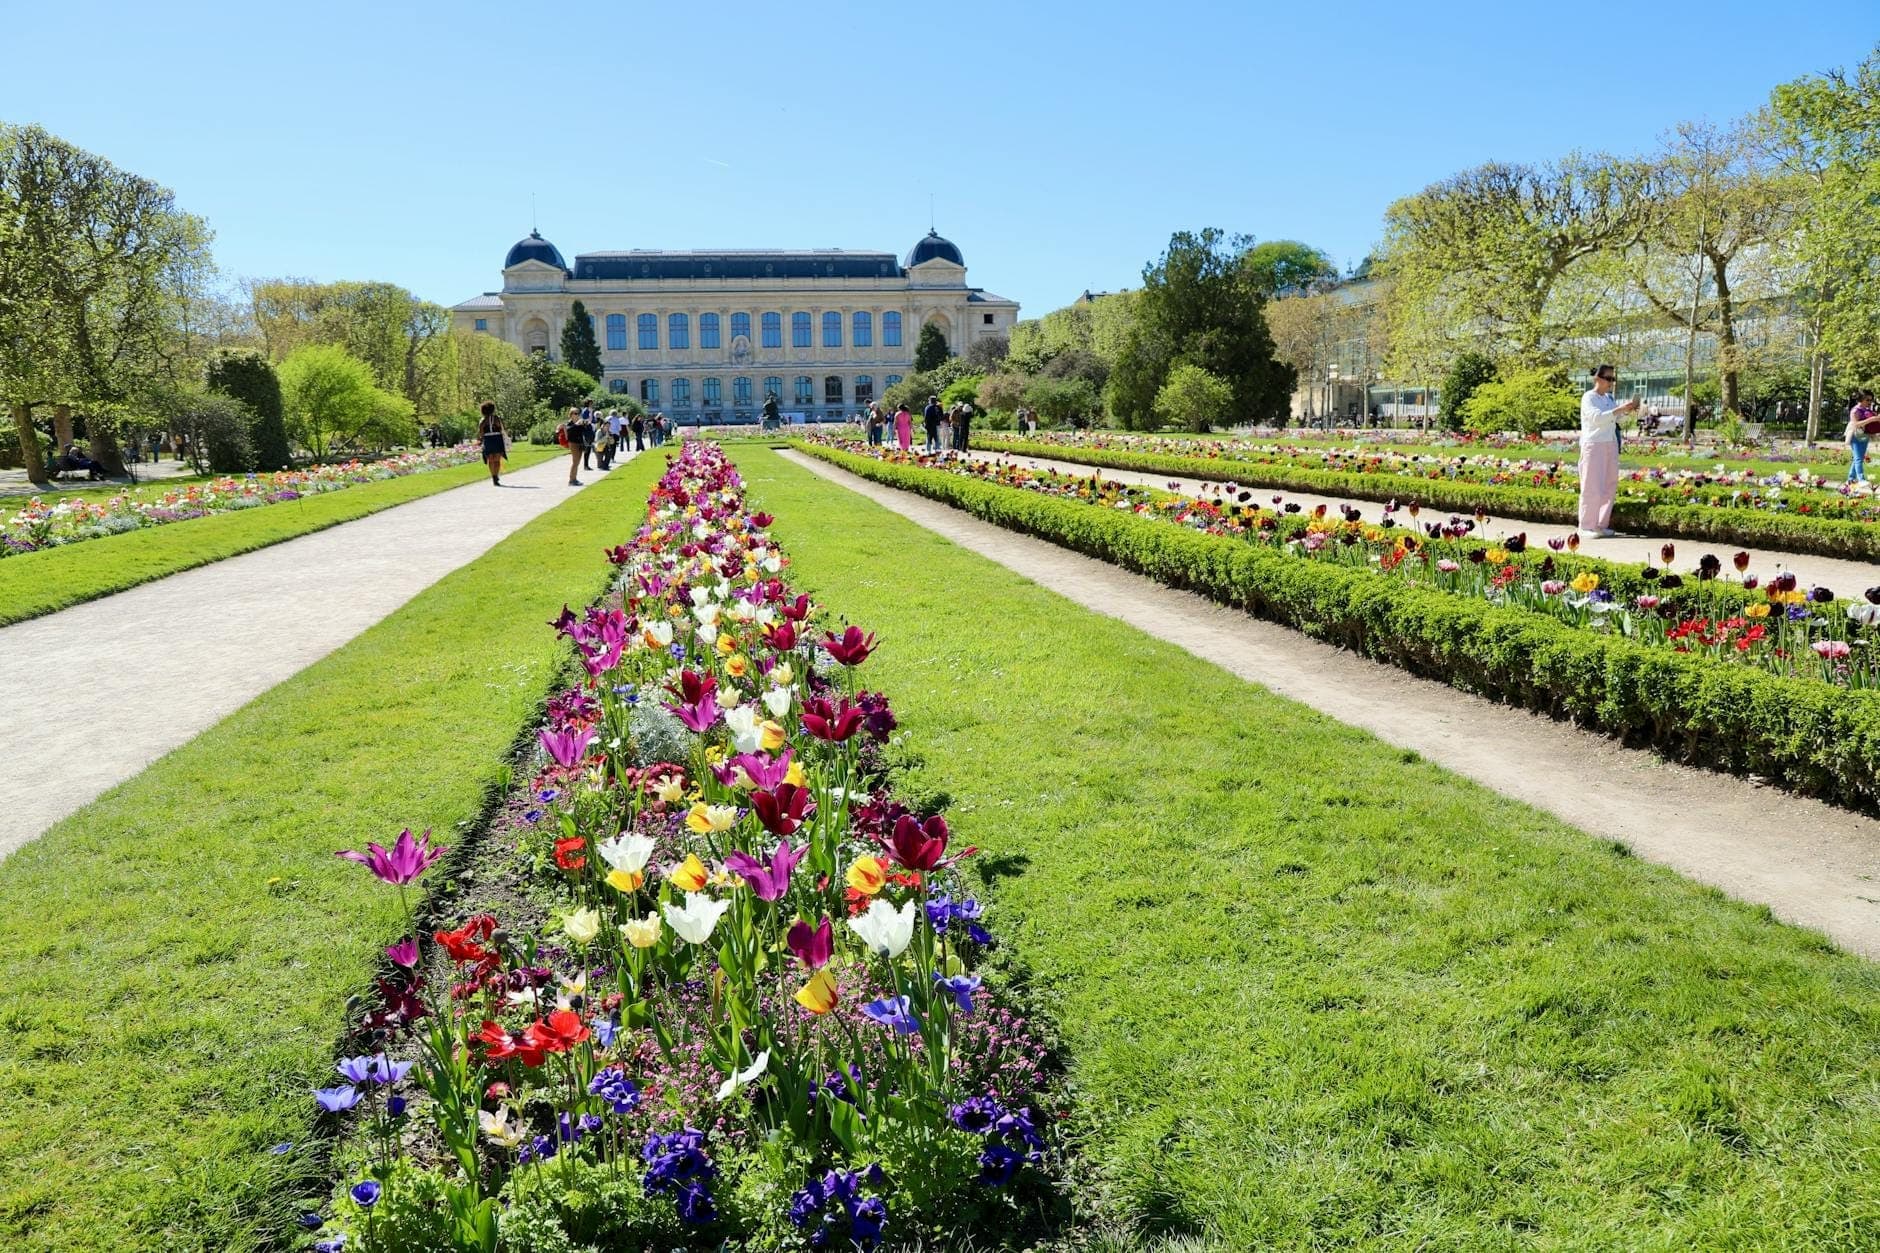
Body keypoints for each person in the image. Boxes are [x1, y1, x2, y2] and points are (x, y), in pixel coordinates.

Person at [1579, 365, 1637, 537]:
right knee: (1592, 486)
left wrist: (1627, 411)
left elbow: (1615, 418)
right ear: (1598, 378)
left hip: (1610, 443)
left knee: (1609, 485)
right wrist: (1619, 409)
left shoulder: (1609, 398)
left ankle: (1600, 524)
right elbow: (1596, 418)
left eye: (1613, 379)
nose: (1612, 382)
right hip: (1594, 444)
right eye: (1609, 378)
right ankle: (1586, 526)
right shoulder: (1588, 397)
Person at [1847, 390, 1879, 483]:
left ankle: (1851, 478)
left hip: (1864, 436)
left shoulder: (1868, 410)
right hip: (1856, 436)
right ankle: (1861, 479)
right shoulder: (1855, 410)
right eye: (1867, 400)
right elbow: (1855, 424)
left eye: (1871, 400)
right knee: (1858, 458)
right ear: (1860, 399)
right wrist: (1871, 419)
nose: (1870, 402)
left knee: (1859, 457)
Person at [476, 401, 507, 485]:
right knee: (497, 459)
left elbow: (481, 432)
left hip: (488, 439)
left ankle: (493, 476)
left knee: (490, 459)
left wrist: (481, 440)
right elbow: (501, 428)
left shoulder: (482, 420)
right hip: (497, 438)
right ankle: (496, 475)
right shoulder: (497, 418)